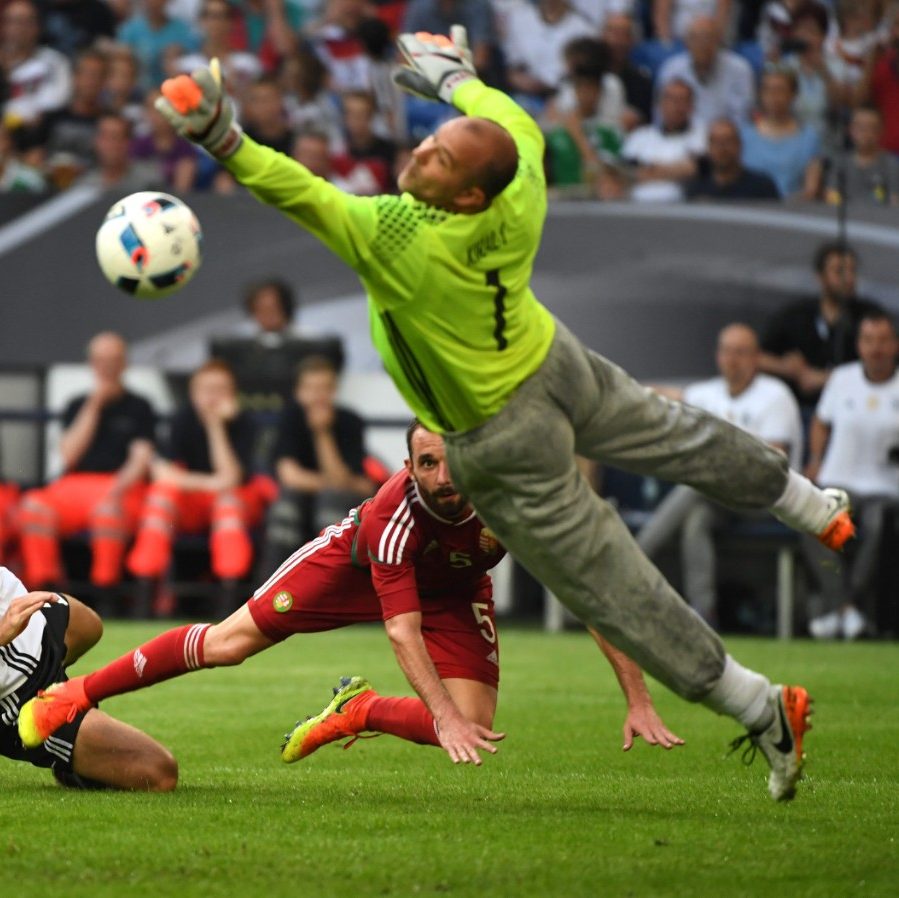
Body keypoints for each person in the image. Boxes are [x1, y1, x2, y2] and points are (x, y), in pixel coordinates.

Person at [140, 27, 857, 800]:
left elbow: (298, 189)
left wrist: (223, 137)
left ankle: (759, 708)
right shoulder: (518, 185)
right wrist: (457, 82)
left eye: (440, 159)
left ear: (465, 197)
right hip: (553, 361)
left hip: (502, 437)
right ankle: (812, 507)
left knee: (608, 583)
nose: (421, 152)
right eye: (433, 142)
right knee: (674, 433)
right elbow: (512, 120)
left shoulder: (395, 240)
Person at [19, 423, 683, 767]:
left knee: (472, 720)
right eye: (426, 464)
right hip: (352, 568)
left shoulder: (518, 503)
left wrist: (637, 697)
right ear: (408, 467)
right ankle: (75, 695)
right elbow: (401, 631)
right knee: (226, 644)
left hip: (453, 586)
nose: (441, 476)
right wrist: (440, 717)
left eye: (451, 460)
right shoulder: (397, 516)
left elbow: (591, 598)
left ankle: (359, 709)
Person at [637, 324, 803, 626]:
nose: (732, 360)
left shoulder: (775, 395)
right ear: (717, 355)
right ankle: (704, 613)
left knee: (696, 484)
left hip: (767, 500)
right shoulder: (706, 393)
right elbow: (664, 395)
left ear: (756, 357)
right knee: (696, 520)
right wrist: (626, 389)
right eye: (726, 351)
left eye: (740, 352)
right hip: (720, 499)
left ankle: (633, 558)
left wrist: (725, 463)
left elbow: (775, 463)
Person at [1, 568, 177, 790]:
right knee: (160, 772)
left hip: (29, 628)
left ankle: (60, 691)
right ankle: (70, 757)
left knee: (89, 625)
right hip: (18, 693)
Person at [125, 359, 271, 618]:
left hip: (234, 502)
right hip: (191, 504)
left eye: (220, 390)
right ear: (193, 393)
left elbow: (232, 478)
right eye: (206, 390)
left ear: (232, 394)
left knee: (227, 505)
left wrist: (215, 426)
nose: (213, 397)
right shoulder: (182, 419)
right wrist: (211, 483)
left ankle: (227, 599)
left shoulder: (245, 423)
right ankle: (144, 593)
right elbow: (162, 473)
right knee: (159, 500)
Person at [19, 332, 156, 601]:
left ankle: (104, 594)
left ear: (124, 363)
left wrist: (117, 489)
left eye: (113, 360)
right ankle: (45, 590)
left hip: (119, 485)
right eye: (101, 360)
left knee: (108, 512)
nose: (107, 367)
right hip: (75, 485)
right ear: (91, 364)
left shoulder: (140, 406)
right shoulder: (78, 404)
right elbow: (69, 455)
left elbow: (141, 458)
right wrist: (95, 403)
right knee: (34, 506)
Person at [802, 312, 899, 640]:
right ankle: (847, 610)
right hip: (838, 482)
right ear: (859, 345)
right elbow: (820, 421)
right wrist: (815, 459)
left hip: (886, 491)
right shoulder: (842, 379)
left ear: (895, 345)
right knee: (811, 519)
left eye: (883, 340)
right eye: (869, 340)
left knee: (880, 526)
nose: (876, 348)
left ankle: (841, 608)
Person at [260, 354, 376, 575]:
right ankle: (271, 584)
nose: (318, 396)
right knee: (287, 503)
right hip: (299, 498)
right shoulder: (289, 418)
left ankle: (330, 582)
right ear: (299, 392)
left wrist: (322, 433)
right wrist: (338, 483)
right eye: (312, 388)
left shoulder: (350, 421)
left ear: (334, 390)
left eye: (324, 388)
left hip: (337, 502)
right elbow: (290, 477)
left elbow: (345, 484)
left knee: (331, 501)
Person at [759, 241, 883, 412]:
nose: (848, 278)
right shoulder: (795, 315)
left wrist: (825, 378)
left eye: (852, 270)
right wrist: (786, 367)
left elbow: (883, 363)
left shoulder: (869, 318)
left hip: (852, 410)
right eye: (839, 271)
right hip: (797, 408)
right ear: (820, 276)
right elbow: (758, 356)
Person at [739, 66, 822, 200]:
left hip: (793, 209)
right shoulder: (744, 135)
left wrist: (781, 206)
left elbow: (811, 190)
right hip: (749, 208)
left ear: (793, 94)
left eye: (780, 90)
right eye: (768, 90)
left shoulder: (809, 137)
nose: (773, 97)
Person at [657, 16, 756, 126]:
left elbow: (743, 115)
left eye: (708, 38)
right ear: (686, 43)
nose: (702, 44)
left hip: (726, 133)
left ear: (718, 41)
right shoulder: (672, 68)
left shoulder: (740, 69)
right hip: (683, 133)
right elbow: (661, 114)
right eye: (696, 39)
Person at [620, 77, 706, 202]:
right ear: (660, 104)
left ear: (691, 106)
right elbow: (626, 172)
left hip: (683, 207)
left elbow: (700, 169)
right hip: (638, 206)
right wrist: (678, 170)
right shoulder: (640, 136)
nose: (677, 106)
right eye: (671, 99)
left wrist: (650, 170)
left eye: (682, 100)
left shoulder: (702, 135)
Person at [685, 117, 781, 200]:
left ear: (739, 145)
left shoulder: (762, 187)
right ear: (709, 148)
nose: (722, 148)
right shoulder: (696, 189)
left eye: (728, 141)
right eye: (716, 142)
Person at [824, 106, 899, 207]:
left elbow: (895, 200)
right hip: (846, 215)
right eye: (859, 127)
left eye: (871, 127)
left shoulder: (891, 164)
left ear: (881, 131)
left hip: (879, 216)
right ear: (850, 129)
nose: (865, 132)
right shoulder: (841, 162)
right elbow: (831, 194)